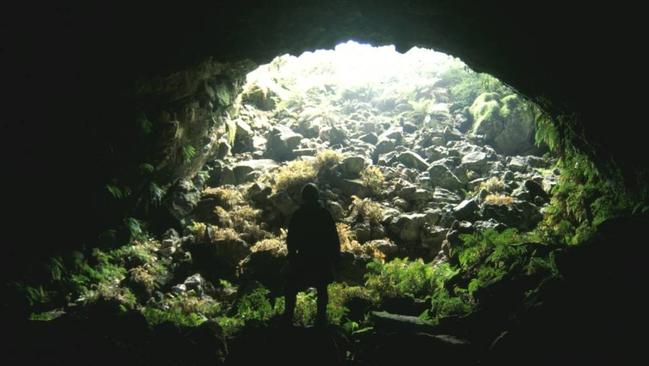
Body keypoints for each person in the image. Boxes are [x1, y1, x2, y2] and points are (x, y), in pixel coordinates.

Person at [283, 183, 341, 327]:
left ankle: (288, 317)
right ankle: (321, 319)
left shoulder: (298, 215)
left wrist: (292, 256)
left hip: (303, 260)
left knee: (290, 288)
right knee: (322, 289)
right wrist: (335, 260)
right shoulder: (324, 214)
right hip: (322, 261)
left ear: (303, 198)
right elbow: (333, 239)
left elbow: (291, 239)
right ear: (317, 197)